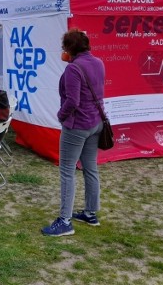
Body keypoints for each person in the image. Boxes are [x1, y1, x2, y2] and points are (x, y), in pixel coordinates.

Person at [41, 28, 106, 237]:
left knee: (67, 170)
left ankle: (65, 221)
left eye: (64, 48)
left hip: (77, 126)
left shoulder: (73, 69)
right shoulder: (98, 62)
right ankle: (90, 213)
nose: (63, 52)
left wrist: (61, 116)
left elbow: (72, 101)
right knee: (90, 168)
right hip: (96, 123)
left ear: (70, 48)